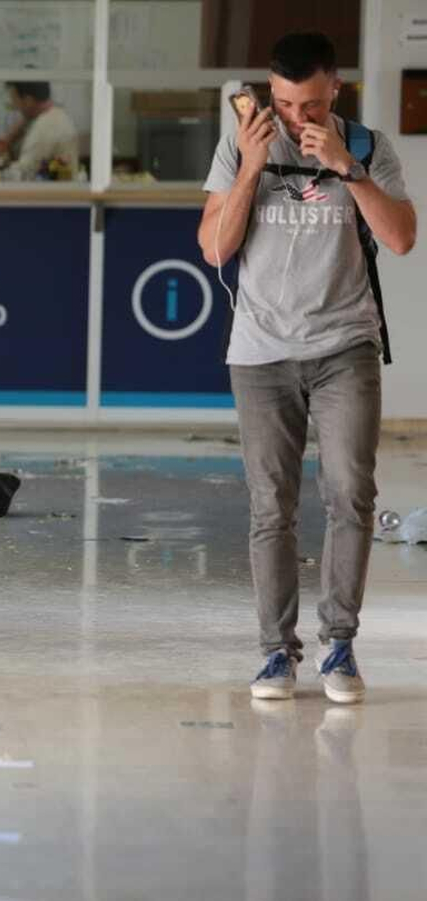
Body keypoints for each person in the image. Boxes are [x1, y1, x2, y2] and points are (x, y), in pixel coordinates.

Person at [197, 32, 416, 704]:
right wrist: (250, 166)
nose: (299, 118)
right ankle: (276, 652)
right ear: (270, 91)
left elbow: (402, 238)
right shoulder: (244, 143)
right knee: (272, 507)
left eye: (313, 104)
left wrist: (347, 166)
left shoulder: (371, 146)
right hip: (261, 352)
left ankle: (340, 646)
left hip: (345, 346)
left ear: (336, 90)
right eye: (287, 104)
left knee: (352, 493)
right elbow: (214, 248)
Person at [0, 81, 79, 181]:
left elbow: (20, 176)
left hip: (51, 193)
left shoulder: (45, 128)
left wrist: (2, 158)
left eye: (15, 100)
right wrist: (10, 136)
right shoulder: (57, 115)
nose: (14, 105)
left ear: (28, 101)